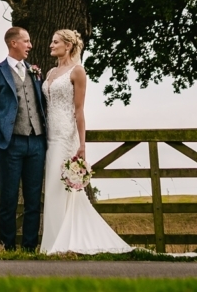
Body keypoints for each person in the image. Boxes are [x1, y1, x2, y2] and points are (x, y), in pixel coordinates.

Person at [39, 29, 132, 254]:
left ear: (68, 46)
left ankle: (63, 244)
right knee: (50, 189)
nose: (51, 45)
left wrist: (82, 145)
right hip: (47, 135)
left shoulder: (78, 71)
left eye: (55, 42)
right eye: (52, 42)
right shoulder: (50, 71)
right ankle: (54, 242)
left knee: (58, 186)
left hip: (65, 134)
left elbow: (79, 110)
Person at [0, 26, 46, 250]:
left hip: (36, 142)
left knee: (33, 199)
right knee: (8, 198)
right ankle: (7, 246)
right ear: (13, 43)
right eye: (26, 41)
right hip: (10, 143)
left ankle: (29, 247)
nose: (30, 45)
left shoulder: (35, 71)